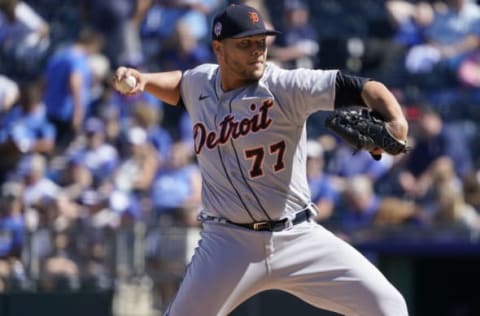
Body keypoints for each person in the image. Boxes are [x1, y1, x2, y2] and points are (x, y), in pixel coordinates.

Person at [113, 4, 409, 315]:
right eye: (245, 44)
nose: (257, 51)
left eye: (261, 42)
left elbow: (365, 87)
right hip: (228, 243)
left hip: (296, 235)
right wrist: (144, 79)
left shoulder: (285, 86)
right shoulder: (200, 82)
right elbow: (180, 84)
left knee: (388, 306)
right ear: (219, 49)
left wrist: (397, 121)